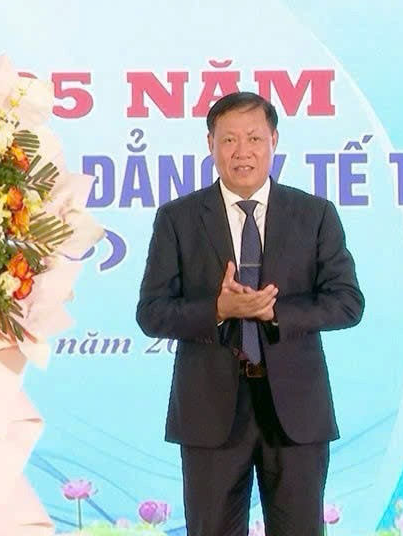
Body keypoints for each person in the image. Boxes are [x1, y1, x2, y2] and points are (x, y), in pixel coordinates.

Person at [136, 92, 364, 535]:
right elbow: (152, 313)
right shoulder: (178, 219)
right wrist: (218, 309)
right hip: (209, 411)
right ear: (210, 144)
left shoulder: (314, 214)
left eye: (254, 138)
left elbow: (347, 302)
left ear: (274, 140)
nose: (242, 151)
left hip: (296, 412)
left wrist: (274, 312)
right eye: (229, 140)